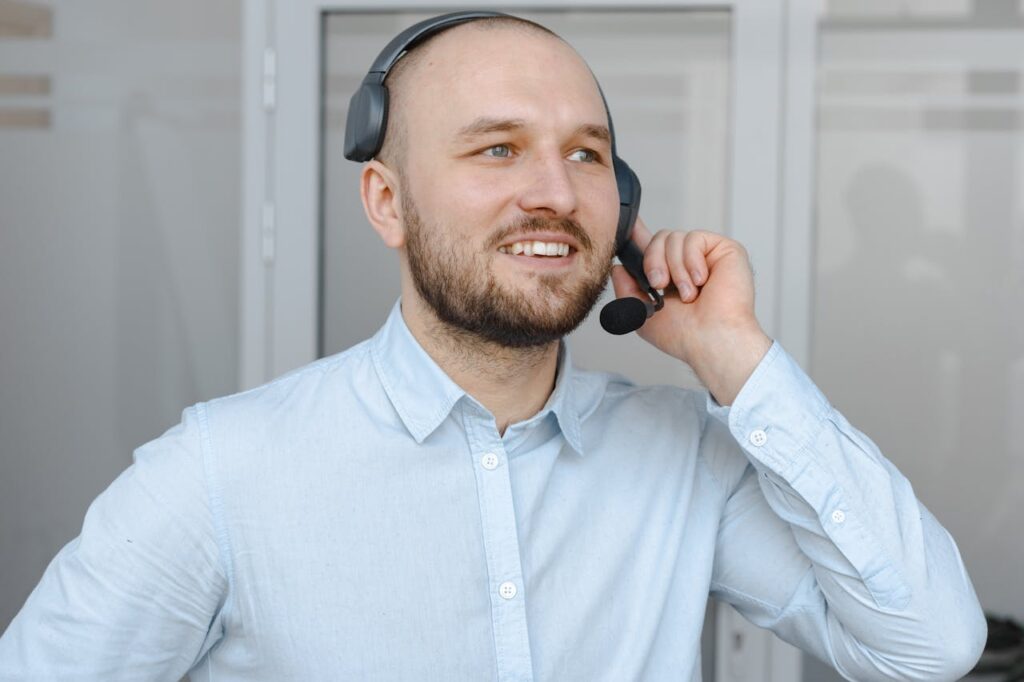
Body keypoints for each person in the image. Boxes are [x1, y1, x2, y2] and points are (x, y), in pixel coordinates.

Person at [0, 12, 986, 681]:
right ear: (386, 201)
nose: (553, 191)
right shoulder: (217, 473)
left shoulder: (685, 455)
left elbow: (929, 646)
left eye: (587, 154)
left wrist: (735, 354)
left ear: (623, 204)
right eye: (496, 148)